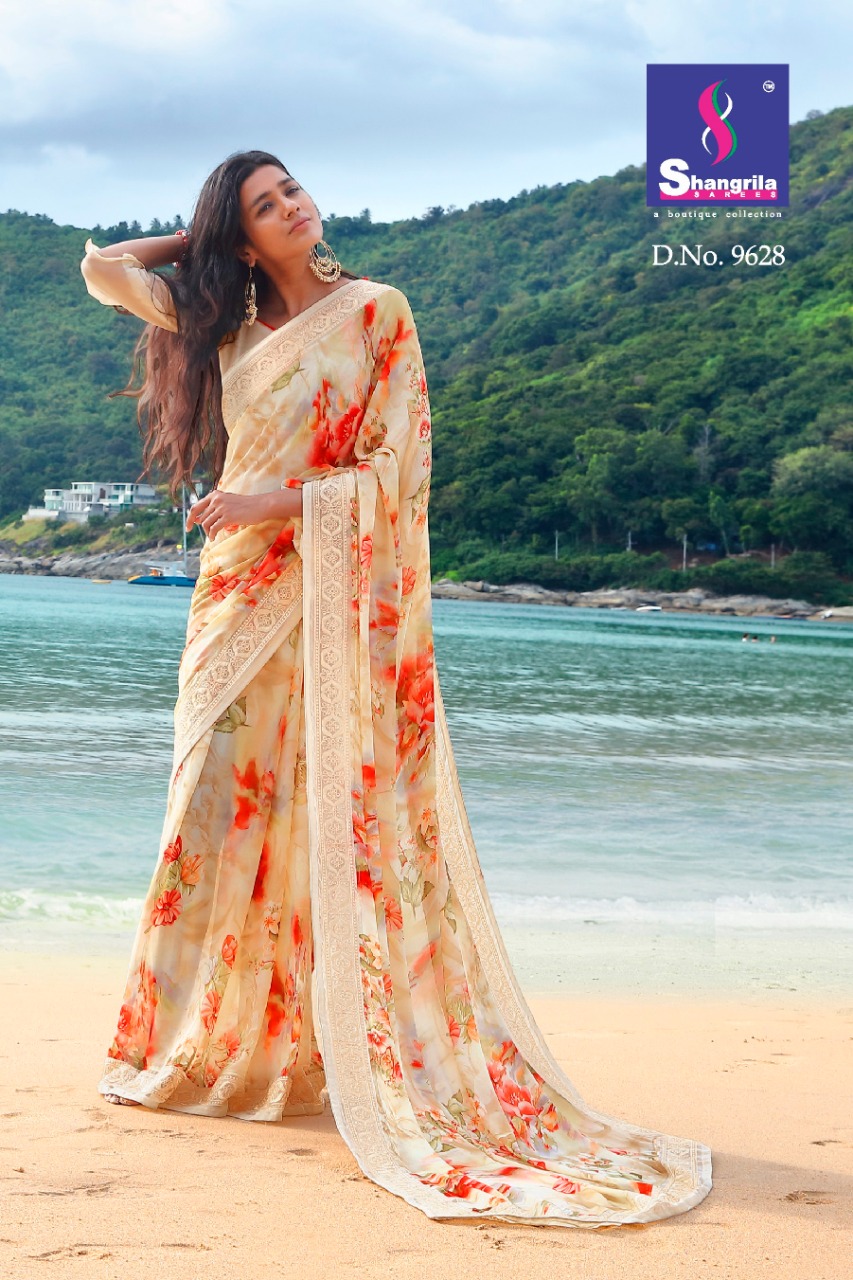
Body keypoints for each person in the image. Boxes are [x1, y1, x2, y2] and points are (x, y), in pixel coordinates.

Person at [79, 150, 712, 1228]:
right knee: (209, 810)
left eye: (290, 190)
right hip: (234, 598)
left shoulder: (377, 311)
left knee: (328, 814)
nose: (293, 207)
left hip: (324, 584)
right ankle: (198, 1044)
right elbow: (102, 269)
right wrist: (201, 241)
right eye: (264, 205)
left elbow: (399, 465)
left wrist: (274, 502)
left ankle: (328, 1046)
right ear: (242, 237)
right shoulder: (225, 324)